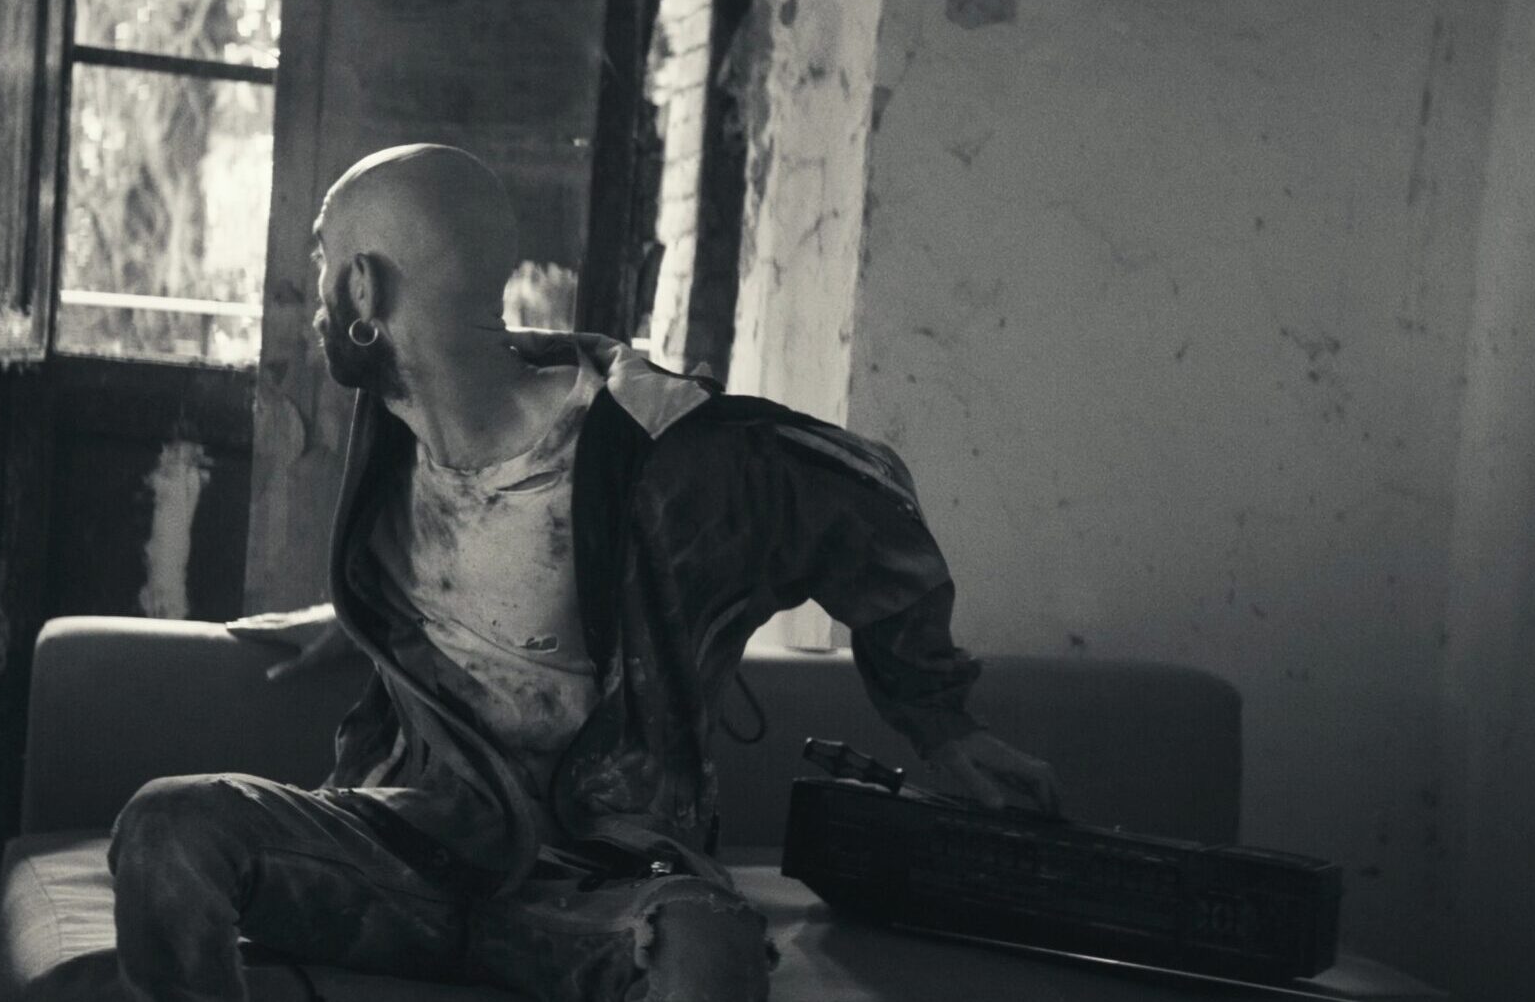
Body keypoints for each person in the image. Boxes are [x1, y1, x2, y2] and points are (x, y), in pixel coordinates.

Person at [106, 144, 1059, 1002]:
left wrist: (939, 721)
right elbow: (473, 579)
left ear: (363, 287)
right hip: (415, 847)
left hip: (601, 880)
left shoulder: (660, 452)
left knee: (704, 950)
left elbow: (866, 504)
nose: (314, 296)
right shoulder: (391, 431)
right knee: (168, 827)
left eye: (323, 263)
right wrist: (356, 618)